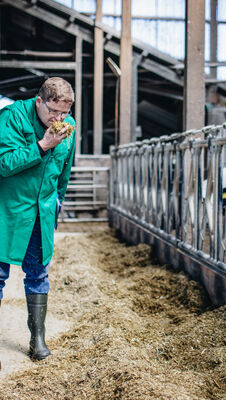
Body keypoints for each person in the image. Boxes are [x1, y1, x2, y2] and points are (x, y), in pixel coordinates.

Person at [0, 77, 76, 360]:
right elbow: (3, 164)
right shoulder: (12, 117)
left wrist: (57, 203)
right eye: (52, 112)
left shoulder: (70, 127)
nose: (58, 118)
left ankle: (37, 339)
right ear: (39, 101)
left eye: (64, 113)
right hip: (8, 209)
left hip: (41, 212)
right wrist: (42, 145)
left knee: (38, 273)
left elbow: (64, 171)